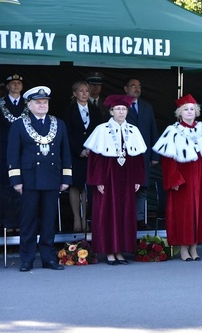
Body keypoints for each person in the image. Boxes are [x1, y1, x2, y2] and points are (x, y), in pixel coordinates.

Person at [153, 94, 202, 261]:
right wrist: (174, 180)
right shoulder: (173, 131)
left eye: (192, 109)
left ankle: (195, 248)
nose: (189, 112)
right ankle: (183, 248)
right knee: (183, 214)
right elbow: (168, 160)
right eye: (186, 109)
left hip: (200, 179)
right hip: (182, 180)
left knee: (200, 213)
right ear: (180, 112)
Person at [7, 86, 72, 272]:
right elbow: (13, 155)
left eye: (45, 102)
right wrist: (16, 180)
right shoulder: (19, 125)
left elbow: (65, 153)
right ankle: (27, 259)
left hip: (52, 178)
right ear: (29, 104)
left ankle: (48, 258)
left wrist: (66, 177)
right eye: (38, 102)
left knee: (49, 220)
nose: (42, 105)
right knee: (28, 221)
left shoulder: (58, 124)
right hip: (29, 179)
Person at [84, 94, 147, 265]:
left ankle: (121, 251)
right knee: (107, 213)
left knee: (125, 213)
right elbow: (95, 159)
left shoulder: (133, 130)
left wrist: (137, 179)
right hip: (107, 176)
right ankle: (109, 252)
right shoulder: (101, 130)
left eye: (124, 109)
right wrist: (97, 180)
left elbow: (138, 158)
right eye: (117, 109)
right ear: (111, 111)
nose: (121, 112)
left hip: (127, 177)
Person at [0, 74, 27, 231]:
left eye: (19, 83)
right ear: (7, 86)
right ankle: (7, 223)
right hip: (4, 150)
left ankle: (21, 222)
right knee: (6, 185)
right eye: (13, 83)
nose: (16, 85)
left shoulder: (28, 103)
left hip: (24, 150)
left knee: (23, 185)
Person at [62, 81, 101, 232]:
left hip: (91, 154)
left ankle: (86, 219)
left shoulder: (95, 110)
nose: (84, 93)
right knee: (75, 185)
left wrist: (91, 149)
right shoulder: (68, 110)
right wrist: (79, 150)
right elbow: (67, 133)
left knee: (87, 186)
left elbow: (98, 131)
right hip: (75, 153)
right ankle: (76, 220)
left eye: (87, 91)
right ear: (74, 93)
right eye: (81, 91)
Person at [124, 77, 159, 226]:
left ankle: (138, 219)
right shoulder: (120, 106)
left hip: (143, 155)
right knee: (127, 188)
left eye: (139, 86)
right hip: (125, 155)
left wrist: (154, 155)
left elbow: (153, 131)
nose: (137, 89)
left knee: (142, 187)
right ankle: (125, 218)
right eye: (133, 86)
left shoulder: (147, 107)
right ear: (126, 89)